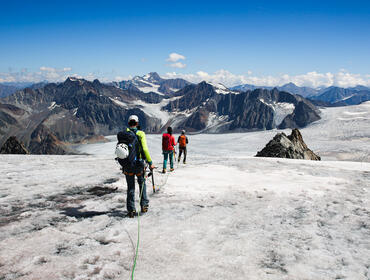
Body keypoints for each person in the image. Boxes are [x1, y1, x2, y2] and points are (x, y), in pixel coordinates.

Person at [124, 115, 155, 218]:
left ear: (129, 123)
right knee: (142, 184)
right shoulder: (140, 133)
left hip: (128, 165)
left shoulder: (124, 134)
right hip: (139, 165)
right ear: (137, 123)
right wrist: (150, 162)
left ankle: (131, 210)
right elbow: (145, 149)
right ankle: (144, 205)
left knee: (130, 187)